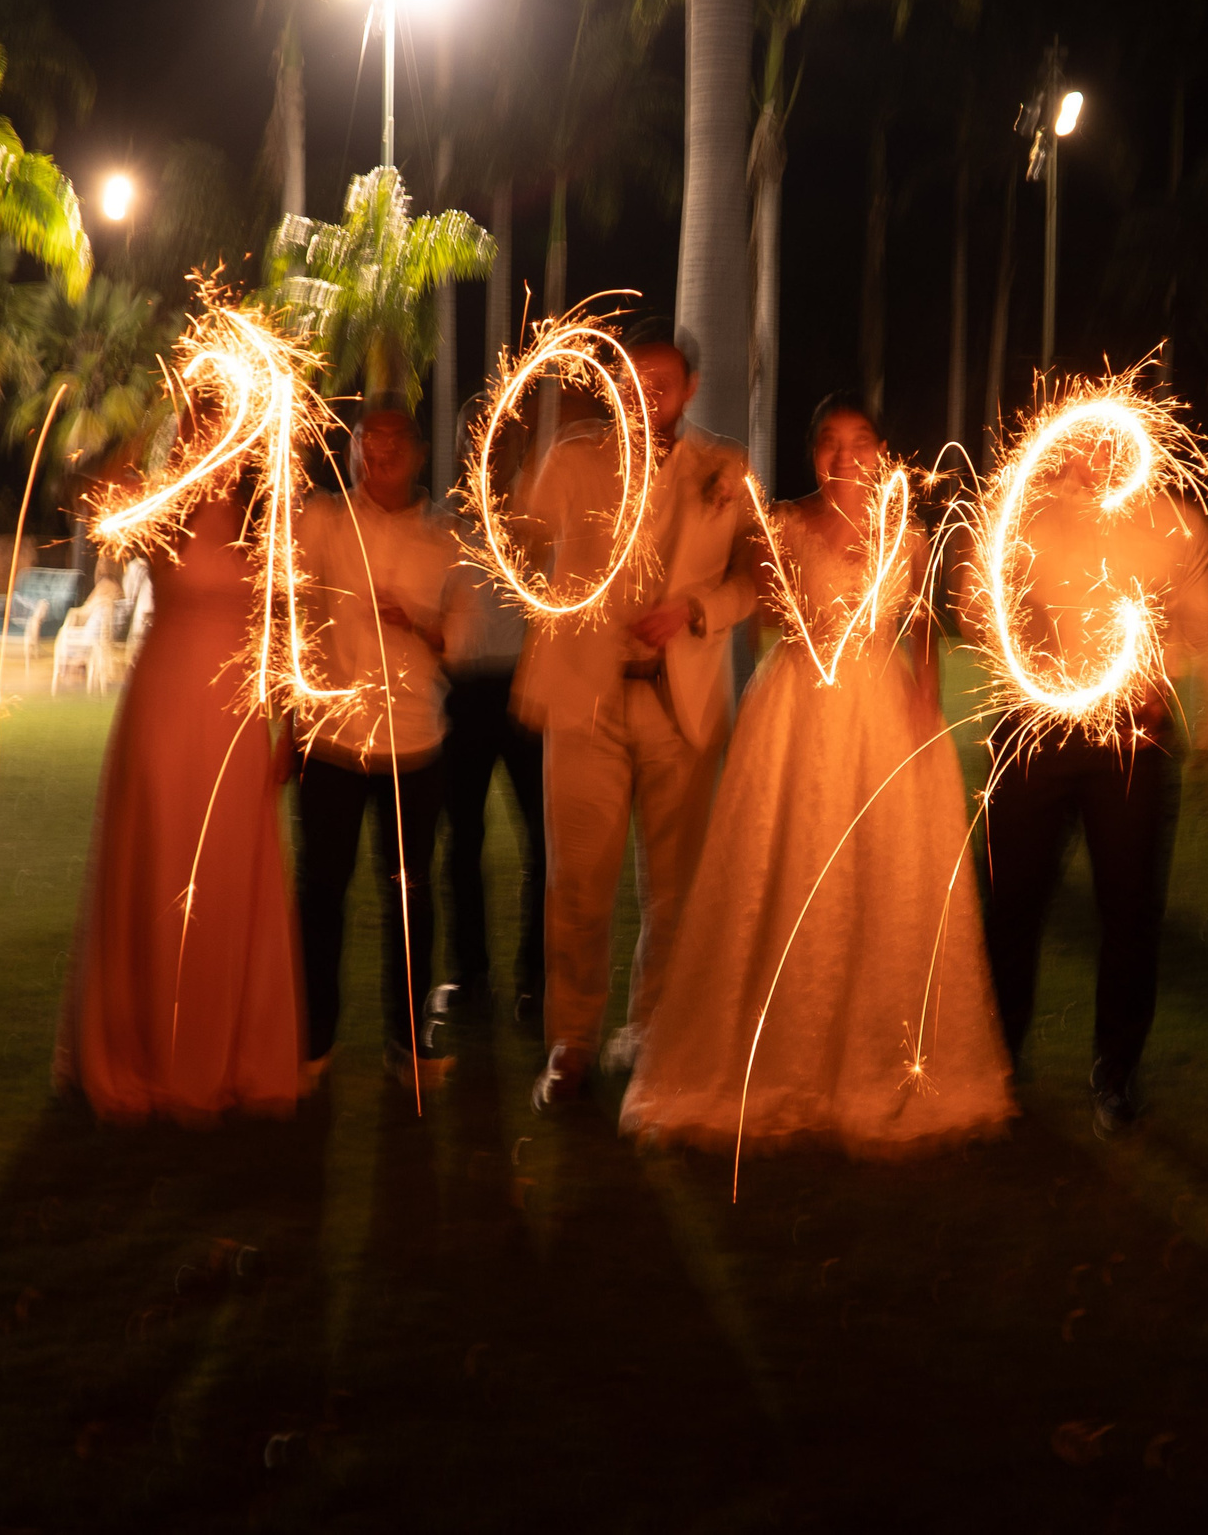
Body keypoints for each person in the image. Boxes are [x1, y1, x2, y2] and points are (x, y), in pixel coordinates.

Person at [621, 399, 1016, 1156]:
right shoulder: (786, 523)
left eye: (861, 442)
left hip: (880, 708)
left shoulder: (909, 531)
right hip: (800, 706)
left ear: (881, 452)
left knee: (886, 875)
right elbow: (768, 614)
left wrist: (925, 683)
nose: (846, 457)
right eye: (830, 444)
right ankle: (775, 1047)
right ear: (814, 456)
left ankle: (876, 1052)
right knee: (793, 866)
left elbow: (922, 619)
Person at [513, 330, 758, 1112]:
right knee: (577, 882)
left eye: (664, 384)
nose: (647, 397)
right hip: (584, 701)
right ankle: (572, 1041)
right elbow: (514, 539)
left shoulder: (725, 469)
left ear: (689, 390)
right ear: (613, 384)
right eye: (632, 382)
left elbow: (755, 576)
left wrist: (695, 609)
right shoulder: (574, 457)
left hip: (678, 704)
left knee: (675, 891)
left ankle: (654, 1035)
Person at [980, 418, 1208, 1137]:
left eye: (1107, 441)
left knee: (1129, 911)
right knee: (1011, 901)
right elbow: (979, 608)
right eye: (1080, 438)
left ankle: (1115, 1070)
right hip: (1035, 731)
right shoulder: (1028, 516)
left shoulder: (1168, 523)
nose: (1091, 456)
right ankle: (998, 1061)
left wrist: (1190, 698)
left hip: (1132, 738)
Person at [57, 493, 301, 1124]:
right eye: (201, 415)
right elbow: (101, 509)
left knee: (224, 866)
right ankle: (144, 1050)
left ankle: (227, 1055)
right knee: (160, 859)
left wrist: (293, 725)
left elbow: (285, 618)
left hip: (234, 710)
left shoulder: (267, 505)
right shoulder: (166, 505)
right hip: (164, 702)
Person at [293, 402, 466, 1087]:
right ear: (355, 449)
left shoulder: (446, 538)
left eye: (395, 440)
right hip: (332, 741)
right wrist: (290, 722)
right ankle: (313, 1039)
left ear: (419, 452)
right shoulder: (323, 521)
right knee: (320, 895)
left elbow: (465, 638)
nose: (380, 451)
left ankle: (407, 1040)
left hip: (412, 745)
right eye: (369, 439)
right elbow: (290, 612)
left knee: (410, 897)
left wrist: (417, 623)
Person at [435, 419, 548, 1028]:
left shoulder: (538, 522)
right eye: (480, 444)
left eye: (504, 443)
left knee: (542, 839)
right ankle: (468, 973)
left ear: (518, 450)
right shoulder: (444, 530)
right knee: (462, 843)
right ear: (462, 451)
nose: (490, 453)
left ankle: (534, 977)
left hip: (527, 692)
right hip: (463, 692)